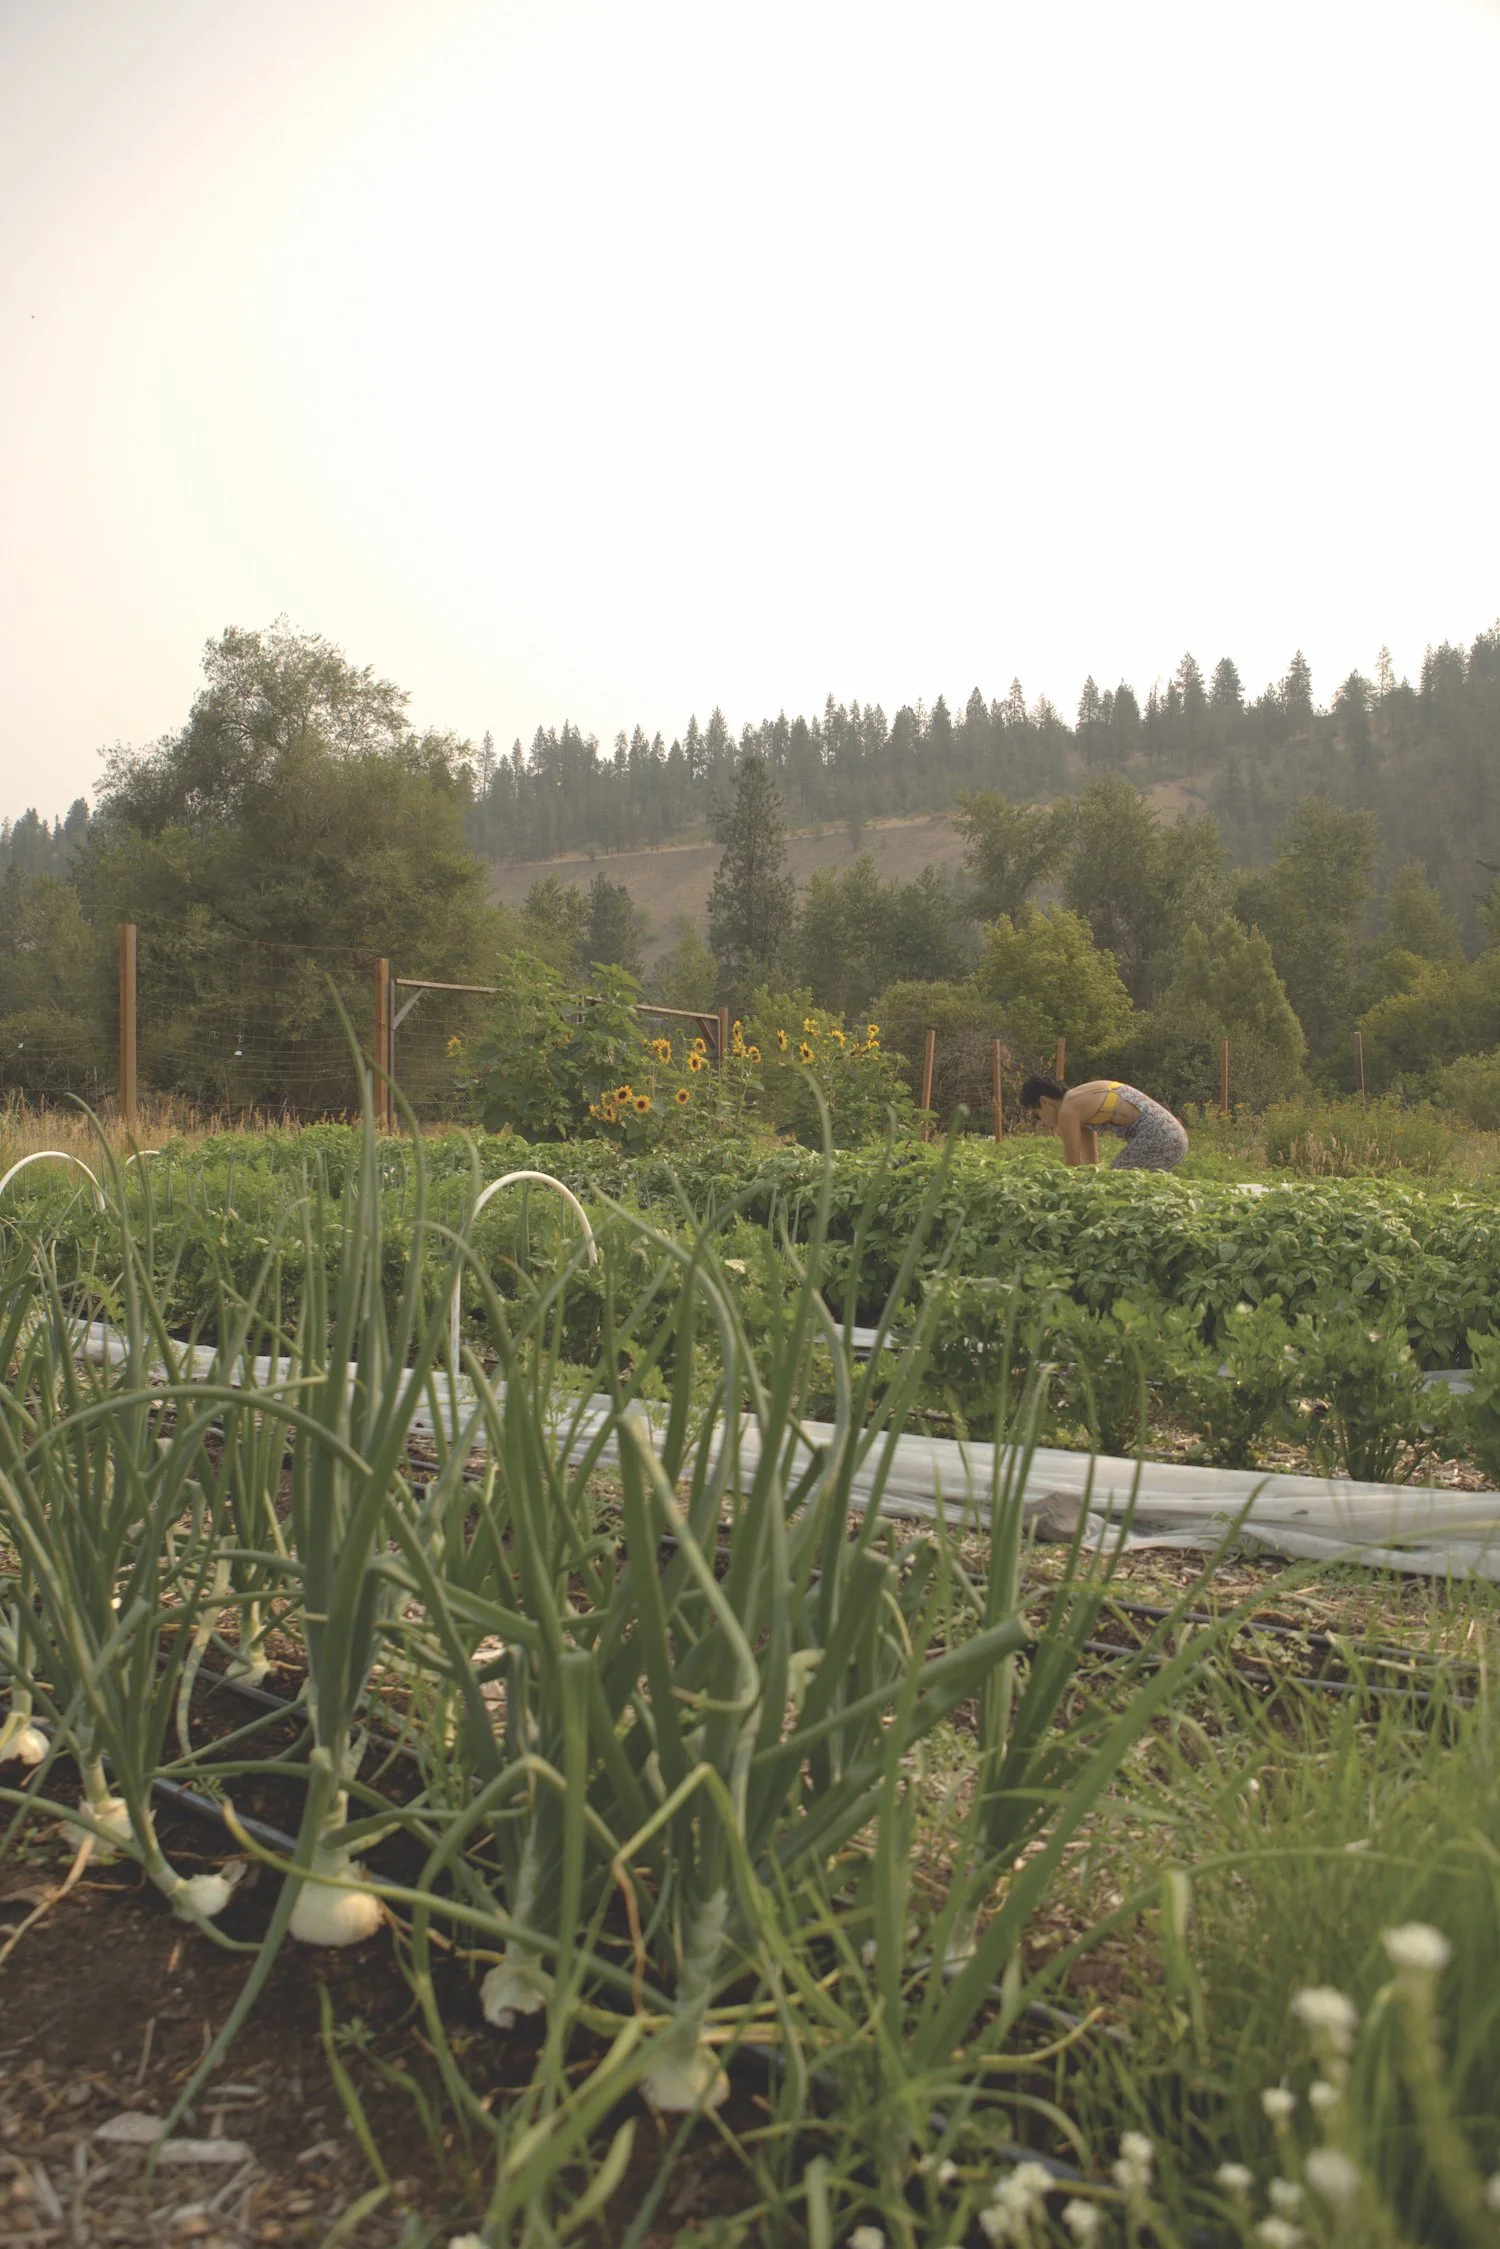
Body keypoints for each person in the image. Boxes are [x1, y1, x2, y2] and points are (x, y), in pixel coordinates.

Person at [1018, 1074, 1189, 1172]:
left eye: (1037, 1115)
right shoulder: (1078, 1107)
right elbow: (1090, 1166)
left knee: (1117, 1182)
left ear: (1045, 1101)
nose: (1042, 1122)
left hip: (1159, 1136)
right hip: (1173, 1135)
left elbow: (1072, 1167)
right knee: (1139, 1191)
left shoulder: (1068, 1110)